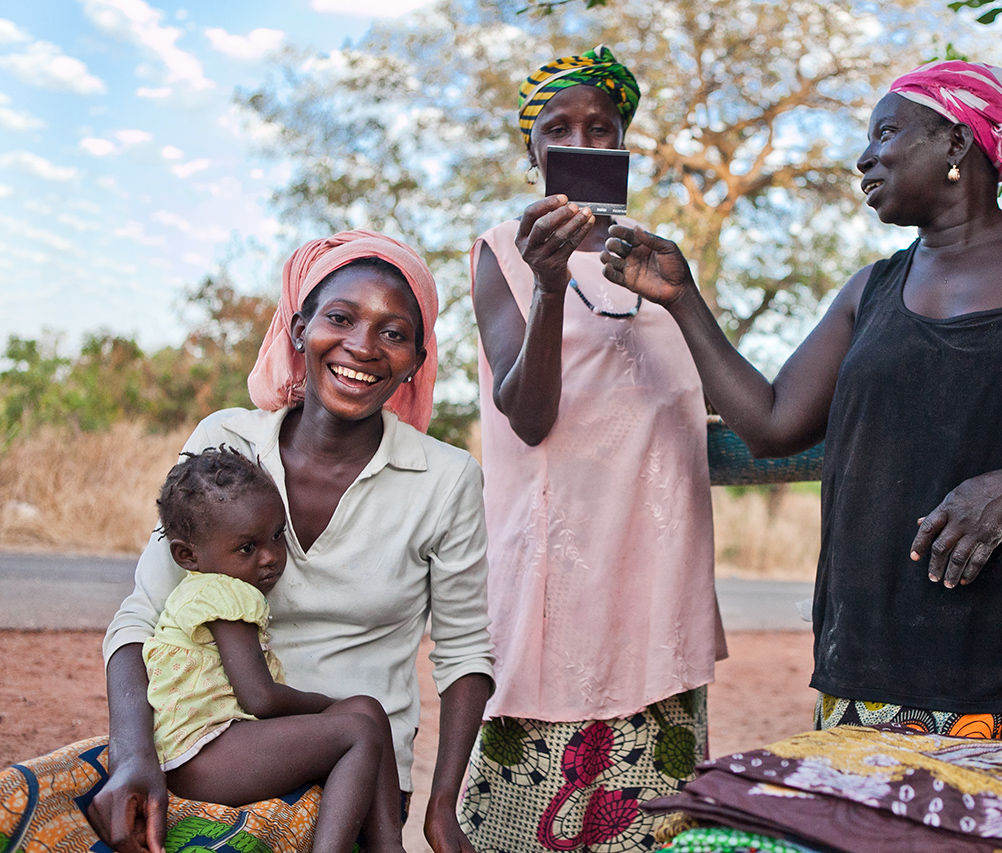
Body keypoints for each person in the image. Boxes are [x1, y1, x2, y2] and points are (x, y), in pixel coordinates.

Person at [601, 60, 1002, 745]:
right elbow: (771, 422)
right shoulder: (870, 290)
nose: (863, 157)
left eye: (885, 133)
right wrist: (684, 301)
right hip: (868, 666)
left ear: (957, 143)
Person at [90, 230, 495, 853]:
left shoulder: (445, 478)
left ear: (417, 358)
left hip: (363, 778)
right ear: (298, 327)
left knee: (365, 731)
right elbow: (143, 613)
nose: (362, 346)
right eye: (340, 317)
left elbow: (465, 654)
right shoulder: (227, 443)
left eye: (394, 333)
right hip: (213, 747)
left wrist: (442, 810)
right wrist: (132, 755)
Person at [460, 45, 726, 853]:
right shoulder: (504, 250)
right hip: (556, 571)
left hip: (655, 572)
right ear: (533, 151)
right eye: (558, 128)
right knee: (526, 822)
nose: (581, 141)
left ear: (623, 146)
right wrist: (546, 285)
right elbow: (528, 416)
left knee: (657, 825)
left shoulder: (659, 257)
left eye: (601, 128)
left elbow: (711, 397)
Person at [143, 445, 405, 853]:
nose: (270, 557)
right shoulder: (223, 594)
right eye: (247, 547)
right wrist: (326, 704)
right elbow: (260, 699)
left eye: (277, 536)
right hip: (201, 758)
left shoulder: (215, 588)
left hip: (221, 745)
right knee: (357, 730)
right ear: (187, 555)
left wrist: (339, 706)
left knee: (367, 708)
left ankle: (389, 847)